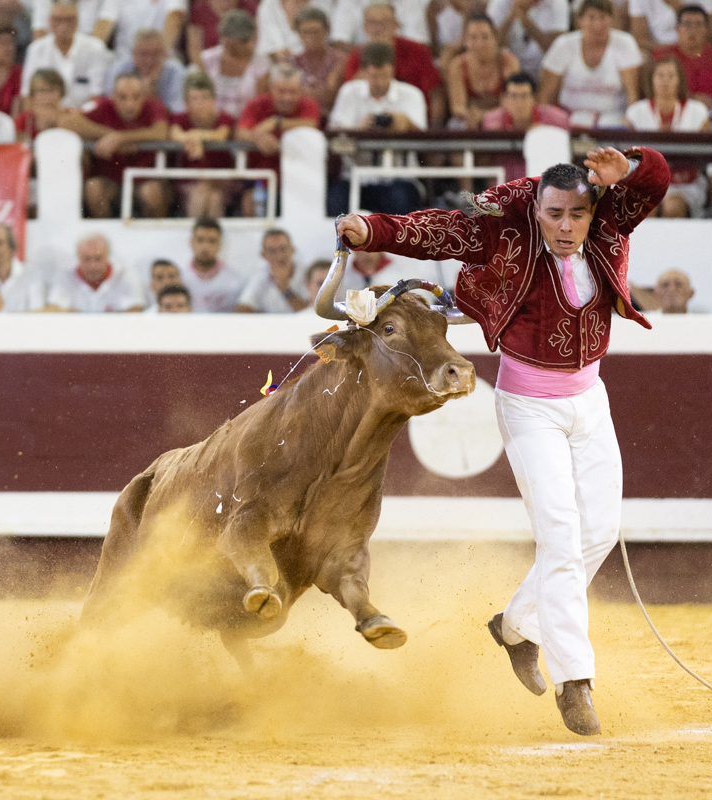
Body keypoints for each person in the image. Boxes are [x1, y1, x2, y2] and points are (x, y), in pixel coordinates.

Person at [335, 144, 671, 737]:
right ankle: (577, 684)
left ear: (594, 212)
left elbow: (654, 184)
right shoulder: (504, 232)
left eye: (578, 215)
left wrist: (636, 166)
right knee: (562, 539)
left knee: (596, 533)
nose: (566, 228)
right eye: (554, 215)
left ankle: (515, 625)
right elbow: (437, 231)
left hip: (591, 401)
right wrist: (370, 229)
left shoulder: (609, 223)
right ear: (536, 210)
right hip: (528, 405)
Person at [327, 42, 427, 215]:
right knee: (336, 200)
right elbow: (336, 136)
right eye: (374, 76)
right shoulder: (349, 93)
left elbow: (422, 139)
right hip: (355, 177)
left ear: (393, 70)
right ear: (363, 72)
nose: (380, 81)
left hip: (398, 178)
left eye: (385, 75)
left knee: (400, 199)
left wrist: (404, 123)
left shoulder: (411, 95)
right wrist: (360, 129)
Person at [64, 71, 170, 218]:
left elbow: (161, 132)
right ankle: (105, 236)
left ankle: (154, 237)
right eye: (122, 97)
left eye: (136, 96)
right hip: (110, 181)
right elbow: (66, 121)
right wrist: (108, 135)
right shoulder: (103, 105)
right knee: (93, 189)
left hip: (145, 181)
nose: (129, 104)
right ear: (113, 95)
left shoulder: (154, 106)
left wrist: (120, 138)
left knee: (152, 192)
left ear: (144, 95)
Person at [625, 56, 710, 217]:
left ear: (679, 80)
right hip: (646, 183)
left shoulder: (697, 111)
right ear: (651, 79)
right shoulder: (635, 113)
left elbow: (708, 153)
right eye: (660, 76)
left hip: (686, 183)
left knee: (672, 207)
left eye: (671, 76)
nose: (665, 81)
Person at [342, 1, 447, 127]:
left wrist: (434, 133)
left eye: (384, 22)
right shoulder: (356, 56)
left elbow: (435, 93)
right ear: (364, 27)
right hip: (366, 127)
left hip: (412, 124)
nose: (378, 28)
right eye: (372, 22)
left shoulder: (417, 51)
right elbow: (350, 94)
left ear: (396, 25)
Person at [539, 0, 642, 128]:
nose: (598, 24)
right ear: (580, 20)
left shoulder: (625, 44)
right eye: (591, 17)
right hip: (569, 119)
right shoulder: (564, 45)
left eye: (603, 17)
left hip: (613, 120)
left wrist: (629, 125)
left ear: (611, 20)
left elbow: (632, 93)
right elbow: (546, 94)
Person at [236, 62, 321, 215]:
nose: (287, 97)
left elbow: (311, 124)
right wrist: (258, 137)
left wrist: (277, 123)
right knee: (250, 200)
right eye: (281, 91)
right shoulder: (256, 104)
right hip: (261, 180)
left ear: (301, 90)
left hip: (299, 180)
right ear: (271, 89)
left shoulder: (309, 104)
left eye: (292, 92)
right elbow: (241, 132)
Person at [652, 5, 712, 126]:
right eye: (687, 24)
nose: (693, 30)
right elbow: (650, 91)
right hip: (673, 119)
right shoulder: (663, 56)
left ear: (707, 29)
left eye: (698, 25)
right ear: (677, 28)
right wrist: (690, 100)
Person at [20, 0, 112, 111]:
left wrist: (74, 117)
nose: (63, 25)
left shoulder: (95, 49)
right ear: (49, 21)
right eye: (58, 20)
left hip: (82, 118)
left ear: (77, 21)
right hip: (45, 116)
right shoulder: (36, 49)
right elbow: (27, 95)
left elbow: (97, 96)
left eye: (69, 20)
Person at [169, 71, 236, 219]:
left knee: (213, 196)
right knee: (206, 194)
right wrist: (193, 137)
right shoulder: (179, 118)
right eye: (194, 98)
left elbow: (220, 135)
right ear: (186, 102)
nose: (200, 103)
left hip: (220, 181)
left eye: (205, 97)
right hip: (190, 182)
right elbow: (175, 134)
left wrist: (197, 136)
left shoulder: (224, 118)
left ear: (213, 100)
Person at [447, 13, 520, 129]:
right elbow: (458, 107)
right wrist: (471, 116)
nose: (479, 43)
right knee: (455, 125)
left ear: (494, 38)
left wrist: (484, 116)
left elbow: (512, 103)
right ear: (465, 41)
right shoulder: (458, 65)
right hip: (470, 120)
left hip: (501, 120)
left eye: (485, 37)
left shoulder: (508, 62)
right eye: (473, 37)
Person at [45, 233, 145, 312]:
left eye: (98, 259)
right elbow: (54, 308)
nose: (93, 265)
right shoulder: (65, 277)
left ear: (107, 257)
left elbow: (136, 309)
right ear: (78, 257)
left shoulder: (125, 275)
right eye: (87, 259)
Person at [200, 9, 271, 118]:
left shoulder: (261, 64)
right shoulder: (207, 59)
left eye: (232, 44)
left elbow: (260, 106)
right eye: (223, 40)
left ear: (246, 42)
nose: (225, 46)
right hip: (212, 122)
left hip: (245, 122)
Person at [104, 27, 187, 115]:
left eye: (155, 54)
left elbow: (178, 112)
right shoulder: (119, 68)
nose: (149, 60)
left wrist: (151, 96)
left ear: (164, 54)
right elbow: (108, 105)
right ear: (134, 53)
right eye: (144, 54)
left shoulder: (175, 71)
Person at [177, 217, 245, 312]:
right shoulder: (179, 279)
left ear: (220, 245)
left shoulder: (235, 281)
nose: (205, 247)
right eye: (200, 240)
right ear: (191, 243)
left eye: (212, 241)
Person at [489, 0, 569, 78]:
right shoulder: (499, 2)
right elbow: (492, 45)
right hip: (509, 72)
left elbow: (556, 51)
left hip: (543, 73)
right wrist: (512, 15)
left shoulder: (558, 3)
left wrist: (524, 19)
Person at [235, 229, 308, 313]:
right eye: (272, 251)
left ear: (293, 250)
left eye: (283, 249)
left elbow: (310, 313)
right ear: (263, 255)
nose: (279, 256)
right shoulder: (261, 275)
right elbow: (242, 309)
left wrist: (285, 289)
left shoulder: (307, 274)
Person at [292, 7, 343, 116]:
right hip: (302, 116)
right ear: (298, 33)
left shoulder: (339, 59)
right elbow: (290, 96)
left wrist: (302, 92)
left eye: (316, 31)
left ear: (326, 30)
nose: (311, 37)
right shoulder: (292, 61)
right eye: (306, 32)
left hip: (331, 115)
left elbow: (330, 94)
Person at [483, 71, 571, 131]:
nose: (519, 102)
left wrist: (545, 134)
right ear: (504, 99)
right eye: (513, 96)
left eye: (524, 96)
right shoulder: (493, 121)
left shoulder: (556, 119)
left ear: (534, 98)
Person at [107, 0, 186, 64]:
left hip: (160, 60)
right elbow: (107, 19)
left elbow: (175, 16)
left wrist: (161, 53)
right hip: (124, 59)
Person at [188, 0, 258, 66]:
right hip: (209, 68)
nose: (225, 3)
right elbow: (194, 50)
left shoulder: (250, 6)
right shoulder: (199, 9)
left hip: (246, 66)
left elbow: (257, 43)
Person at [630, 0, 712, 52]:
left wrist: (677, 6)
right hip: (659, 50)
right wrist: (674, 50)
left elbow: (708, 36)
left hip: (696, 49)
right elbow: (640, 40)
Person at [14, 67, 70, 141]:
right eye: (41, 90)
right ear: (32, 96)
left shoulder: (71, 117)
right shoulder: (23, 120)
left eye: (51, 90)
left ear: (62, 93)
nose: (47, 96)